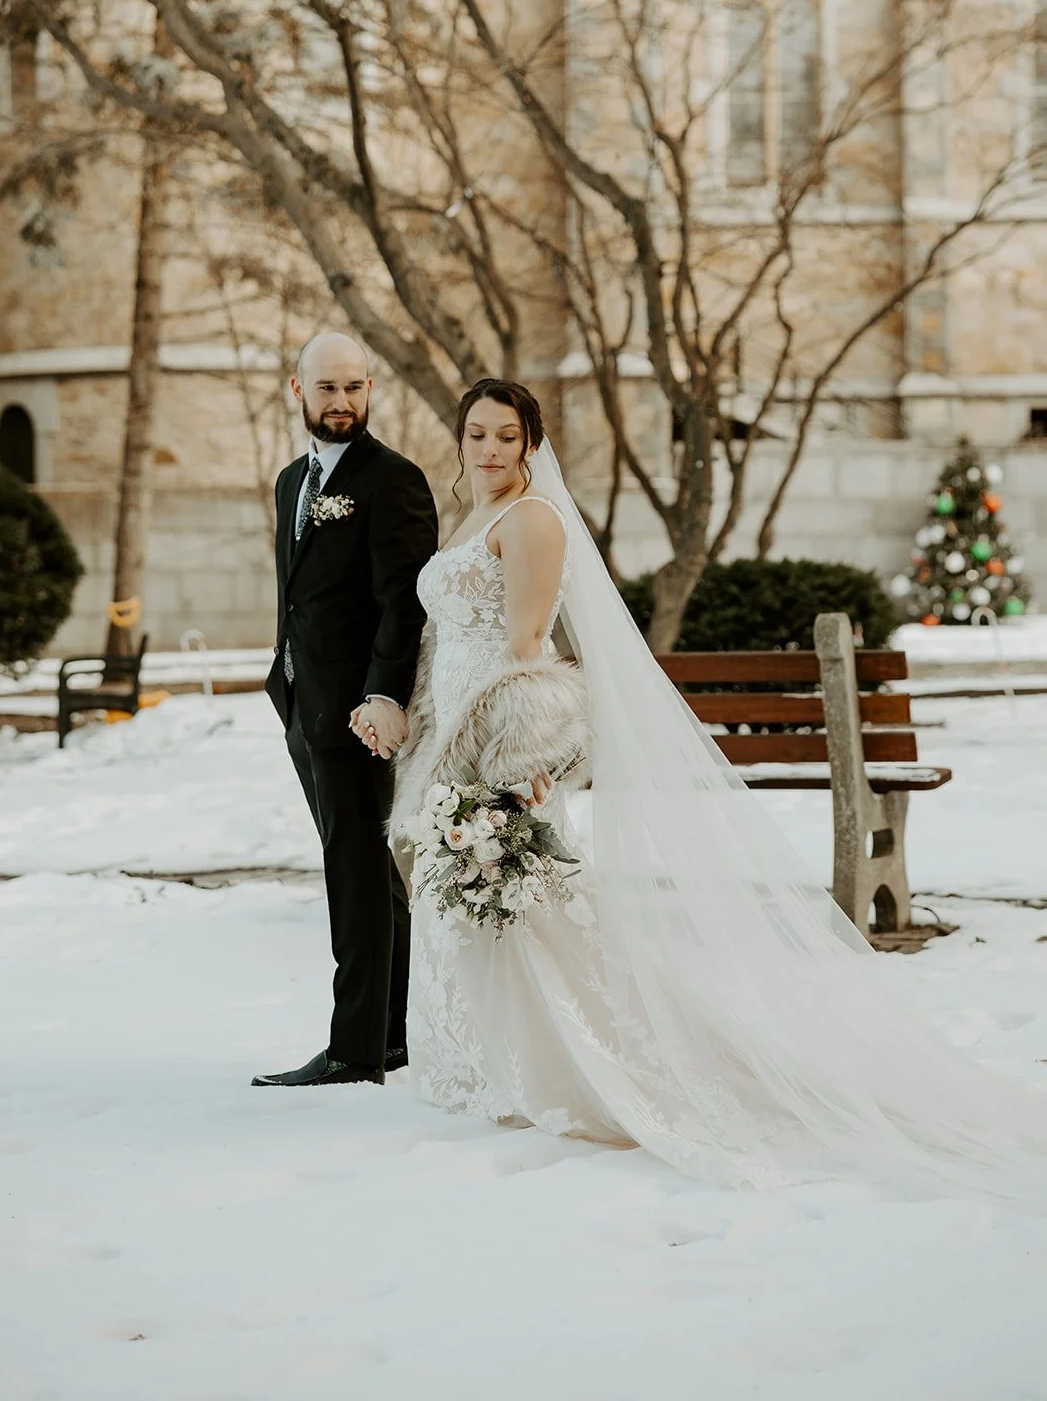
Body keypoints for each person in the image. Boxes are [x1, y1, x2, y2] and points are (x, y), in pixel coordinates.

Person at [383, 377, 1047, 1196]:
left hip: (500, 741)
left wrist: (502, 762)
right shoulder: (474, 515)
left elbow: (523, 647)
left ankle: (579, 1070)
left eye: (505, 438)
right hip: (454, 726)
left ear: (530, 445)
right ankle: (504, 1065)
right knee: (490, 908)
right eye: (476, 434)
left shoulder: (531, 519)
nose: (488, 450)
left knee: (527, 904)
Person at [255, 332, 438, 1088]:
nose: (341, 403)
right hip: (304, 705)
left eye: (354, 388)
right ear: (296, 390)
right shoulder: (290, 480)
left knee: (355, 876)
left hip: (362, 715)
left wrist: (382, 695)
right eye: (326, 389)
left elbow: (404, 605)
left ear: (371, 390)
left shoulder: (392, 479)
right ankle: (388, 1035)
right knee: (367, 875)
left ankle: (354, 1051)